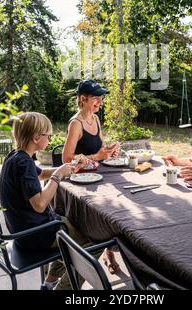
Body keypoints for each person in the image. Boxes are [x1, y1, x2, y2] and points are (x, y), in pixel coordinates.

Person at [0, 111, 90, 290]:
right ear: (35, 137)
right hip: (36, 234)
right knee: (91, 241)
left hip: (23, 231)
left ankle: (49, 283)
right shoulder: (24, 164)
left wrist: (66, 168)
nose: (50, 139)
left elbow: (39, 174)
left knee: (73, 229)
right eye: (48, 135)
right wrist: (57, 176)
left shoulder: (16, 157)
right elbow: (40, 205)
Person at [62, 79, 120, 274]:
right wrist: (97, 157)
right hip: (81, 182)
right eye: (96, 98)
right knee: (102, 214)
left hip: (98, 175)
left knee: (117, 207)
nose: (100, 102)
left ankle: (108, 252)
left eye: (101, 98)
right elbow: (67, 158)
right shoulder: (75, 124)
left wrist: (108, 151)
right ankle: (99, 251)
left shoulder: (95, 119)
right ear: (83, 99)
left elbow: (99, 148)